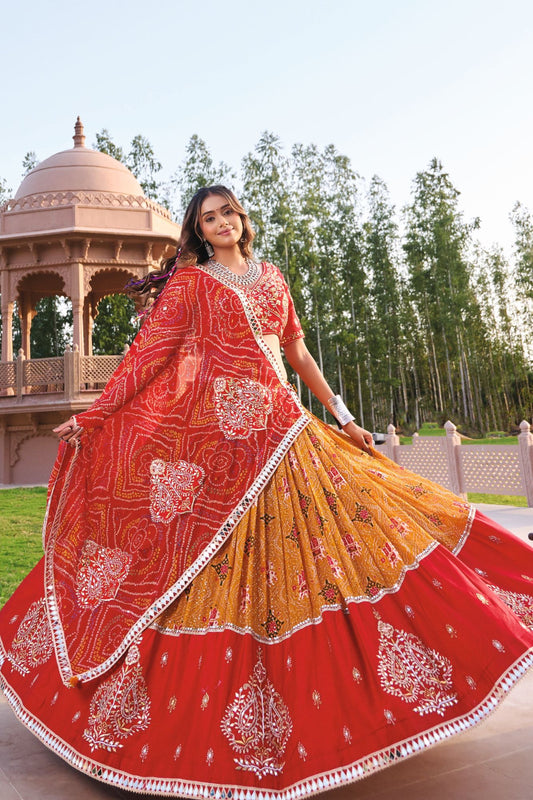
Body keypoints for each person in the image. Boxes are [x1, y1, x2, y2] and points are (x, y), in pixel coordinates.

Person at [0, 185, 532, 799]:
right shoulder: (192, 285)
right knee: (208, 564)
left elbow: (298, 351)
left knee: (349, 538)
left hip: (287, 431)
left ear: (243, 217)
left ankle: (344, 712)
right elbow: (150, 356)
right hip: (223, 445)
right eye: (209, 217)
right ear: (197, 231)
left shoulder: (274, 279)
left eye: (229, 211)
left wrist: (341, 412)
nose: (222, 222)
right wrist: (96, 415)